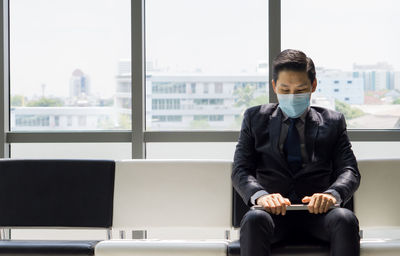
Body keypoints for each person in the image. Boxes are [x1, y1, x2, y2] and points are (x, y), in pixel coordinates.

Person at [232, 49, 361, 256]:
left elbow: (349, 170)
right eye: (285, 89)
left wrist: (331, 195)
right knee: (254, 219)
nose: (292, 97)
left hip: (319, 215)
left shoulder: (334, 121)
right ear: (274, 87)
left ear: (313, 86)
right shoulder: (254, 118)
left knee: (345, 219)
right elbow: (241, 170)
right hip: (271, 215)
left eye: (300, 90)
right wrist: (262, 197)